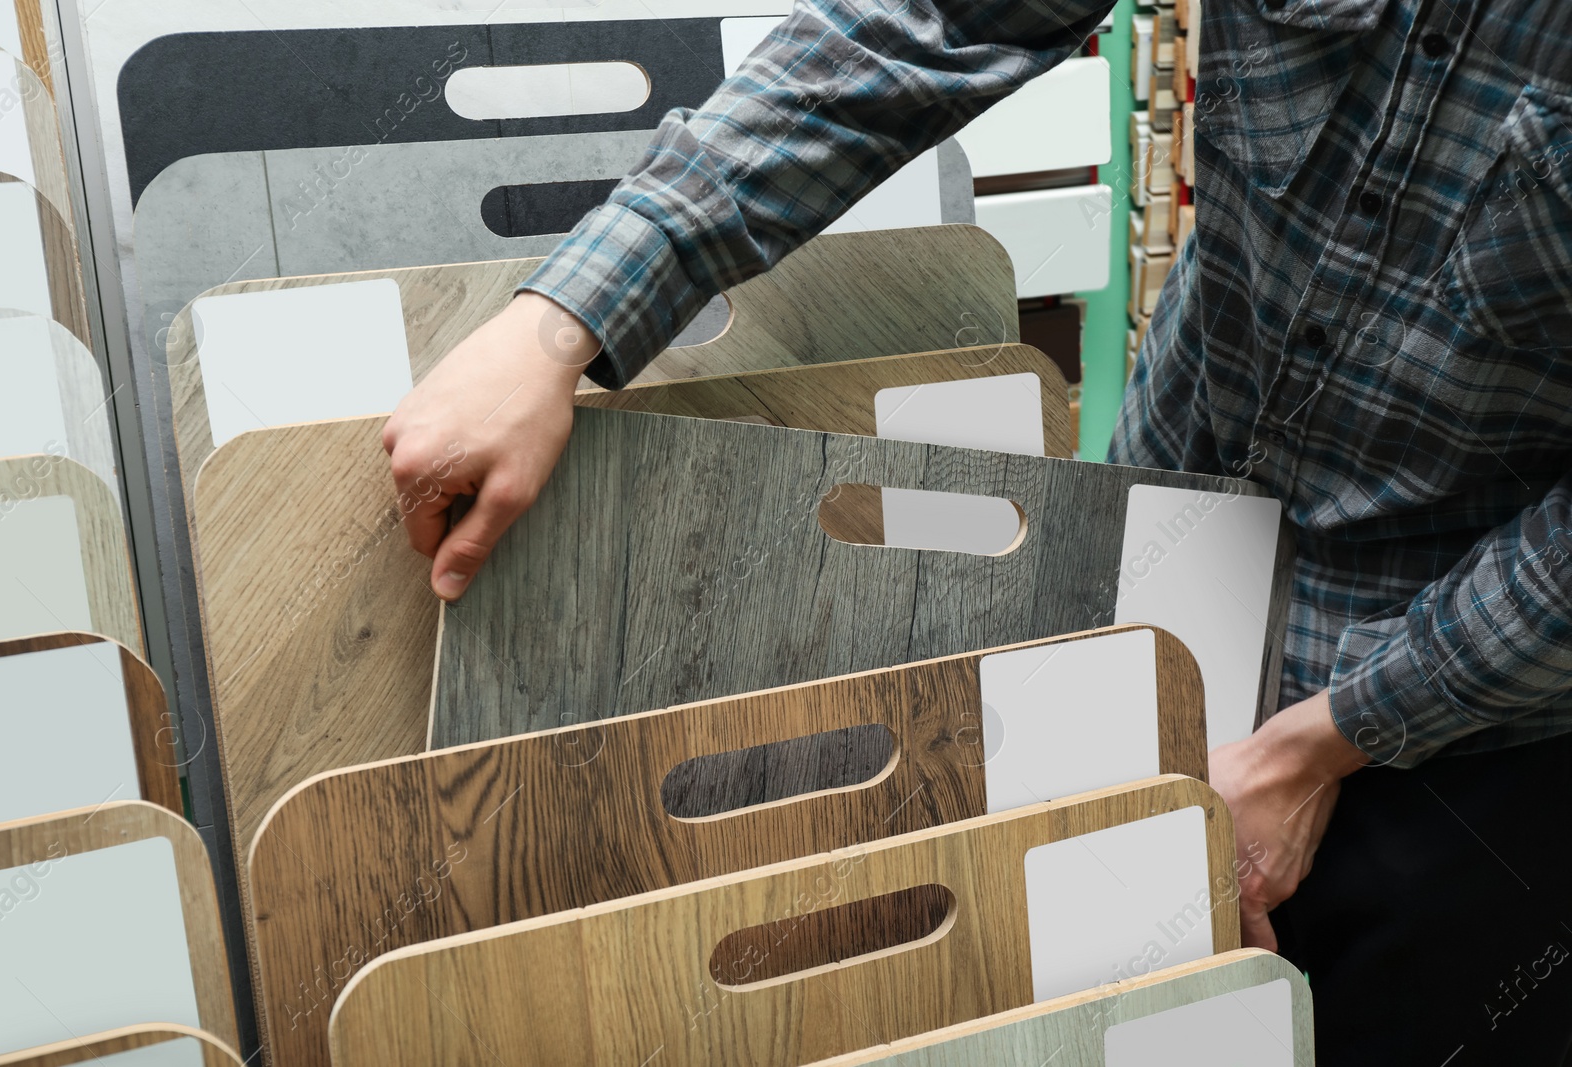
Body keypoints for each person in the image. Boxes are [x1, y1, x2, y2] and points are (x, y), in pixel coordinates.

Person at [382, 1, 1572, 1060]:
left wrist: (1320, 744)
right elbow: (923, 25)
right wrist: (567, 316)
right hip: (1171, 545)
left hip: (1474, 704)